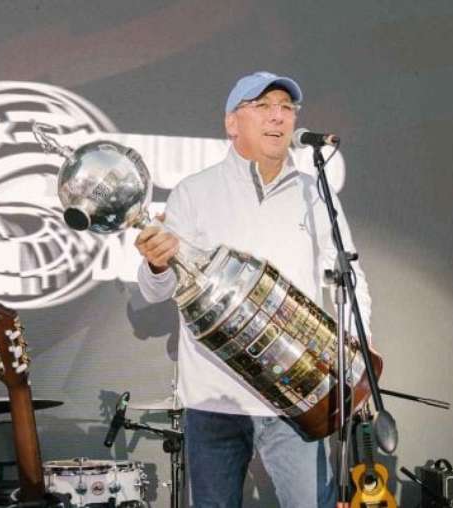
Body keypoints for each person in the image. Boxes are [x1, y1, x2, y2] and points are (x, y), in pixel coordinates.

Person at [135, 71, 372, 507]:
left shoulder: (315, 193)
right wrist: (155, 263)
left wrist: (357, 358)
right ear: (232, 123)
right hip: (214, 399)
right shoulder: (194, 192)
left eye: (286, 107)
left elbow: (350, 278)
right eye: (262, 106)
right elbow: (154, 291)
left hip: (297, 397)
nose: (277, 117)